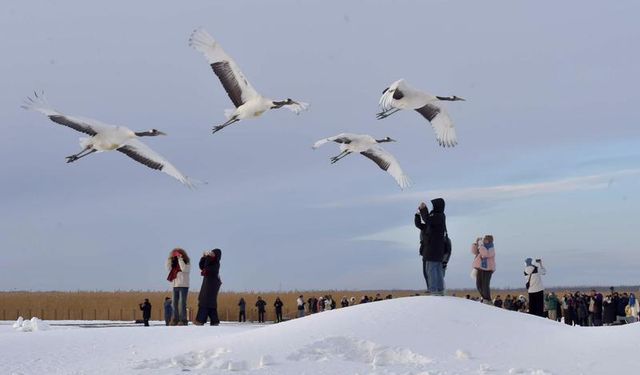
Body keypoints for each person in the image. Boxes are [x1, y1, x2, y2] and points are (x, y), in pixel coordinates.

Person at [414, 198, 447, 295]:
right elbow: (420, 224)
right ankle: (440, 289)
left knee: (431, 270)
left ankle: (433, 290)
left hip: (433, 250)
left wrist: (423, 209)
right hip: (436, 250)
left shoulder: (438, 216)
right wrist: (417, 214)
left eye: (433, 205)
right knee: (437, 270)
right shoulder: (438, 218)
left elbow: (427, 219)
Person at [194, 248, 222, 326]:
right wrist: (203, 257)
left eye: (213, 253)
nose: (211, 254)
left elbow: (207, 268)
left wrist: (208, 258)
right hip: (207, 284)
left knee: (205, 302)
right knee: (209, 303)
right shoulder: (210, 261)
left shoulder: (216, 263)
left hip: (212, 286)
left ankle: (200, 320)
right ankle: (214, 321)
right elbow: (202, 266)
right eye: (211, 252)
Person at [166, 248, 191, 326]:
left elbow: (183, 269)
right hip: (175, 285)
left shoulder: (187, 263)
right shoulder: (174, 265)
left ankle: (183, 320)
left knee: (182, 303)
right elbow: (168, 268)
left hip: (183, 285)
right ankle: (175, 319)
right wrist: (170, 259)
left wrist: (180, 258)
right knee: (174, 303)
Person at [471, 235, 496, 304]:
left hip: (488, 270)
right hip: (480, 268)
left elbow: (485, 254)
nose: (484, 240)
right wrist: (476, 244)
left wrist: (481, 245)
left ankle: (488, 299)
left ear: (489, 241)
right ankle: (485, 298)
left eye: (486, 239)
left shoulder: (491, 248)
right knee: (478, 285)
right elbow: (474, 252)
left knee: (485, 285)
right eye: (484, 239)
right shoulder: (482, 247)